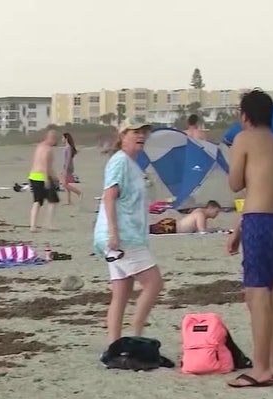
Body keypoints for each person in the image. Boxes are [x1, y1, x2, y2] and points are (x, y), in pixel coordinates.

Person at [225, 90, 273, 388]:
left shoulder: (244, 139)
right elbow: (264, 190)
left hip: (260, 222)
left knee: (257, 296)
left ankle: (261, 369)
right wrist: (237, 231)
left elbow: (235, 184)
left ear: (245, 115)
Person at [94, 119, 164, 344]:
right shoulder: (120, 161)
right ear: (123, 135)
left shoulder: (133, 164)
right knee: (154, 283)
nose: (141, 135)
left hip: (127, 235)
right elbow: (109, 196)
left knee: (121, 293)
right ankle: (136, 336)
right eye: (136, 131)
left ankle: (114, 346)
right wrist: (114, 233)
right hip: (122, 236)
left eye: (144, 131)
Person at [28, 129, 60, 232]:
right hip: (43, 176)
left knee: (37, 201)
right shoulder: (48, 149)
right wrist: (51, 178)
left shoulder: (40, 146)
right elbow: (46, 165)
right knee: (53, 200)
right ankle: (48, 223)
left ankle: (33, 225)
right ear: (52, 138)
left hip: (33, 176)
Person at [151, 200, 222, 234]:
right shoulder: (201, 215)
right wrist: (216, 230)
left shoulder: (199, 210)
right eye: (216, 211)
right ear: (210, 208)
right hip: (172, 227)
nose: (217, 214)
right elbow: (202, 231)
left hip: (172, 224)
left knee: (148, 229)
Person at [61, 132, 82, 204]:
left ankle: (78, 193)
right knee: (66, 183)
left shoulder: (68, 147)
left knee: (64, 184)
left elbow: (68, 159)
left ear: (66, 138)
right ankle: (68, 201)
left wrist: (65, 169)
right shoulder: (67, 147)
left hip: (68, 167)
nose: (62, 139)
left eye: (62, 138)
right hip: (66, 167)